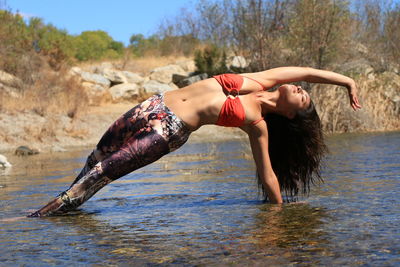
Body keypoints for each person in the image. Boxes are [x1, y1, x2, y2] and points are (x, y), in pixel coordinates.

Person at [28, 66, 361, 217]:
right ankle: (64, 207)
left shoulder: (257, 124)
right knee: (95, 157)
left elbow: (267, 173)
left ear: (290, 116)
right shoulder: (263, 79)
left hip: (169, 130)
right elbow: (311, 71)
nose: (303, 90)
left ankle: (35, 217)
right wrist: (347, 82)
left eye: (304, 101)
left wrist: (277, 211)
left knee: (103, 172)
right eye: (303, 90)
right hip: (153, 105)